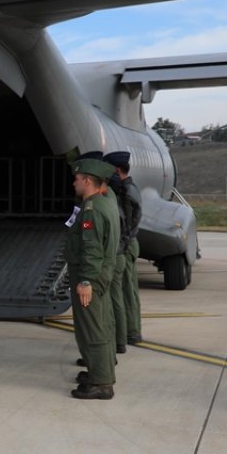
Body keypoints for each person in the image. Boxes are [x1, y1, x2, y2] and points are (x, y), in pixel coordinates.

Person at [67, 155, 121, 400]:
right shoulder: (106, 201)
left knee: (93, 328)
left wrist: (86, 281)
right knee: (104, 323)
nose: (74, 183)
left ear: (87, 181)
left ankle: (101, 383)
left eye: (77, 179)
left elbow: (92, 249)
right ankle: (100, 371)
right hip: (103, 273)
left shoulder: (91, 211)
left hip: (92, 275)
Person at [103, 150, 143, 349]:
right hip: (128, 243)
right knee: (127, 290)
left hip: (125, 244)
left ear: (117, 170)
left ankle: (129, 333)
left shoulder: (126, 191)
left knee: (125, 290)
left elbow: (129, 222)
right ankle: (130, 331)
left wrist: (123, 244)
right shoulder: (127, 189)